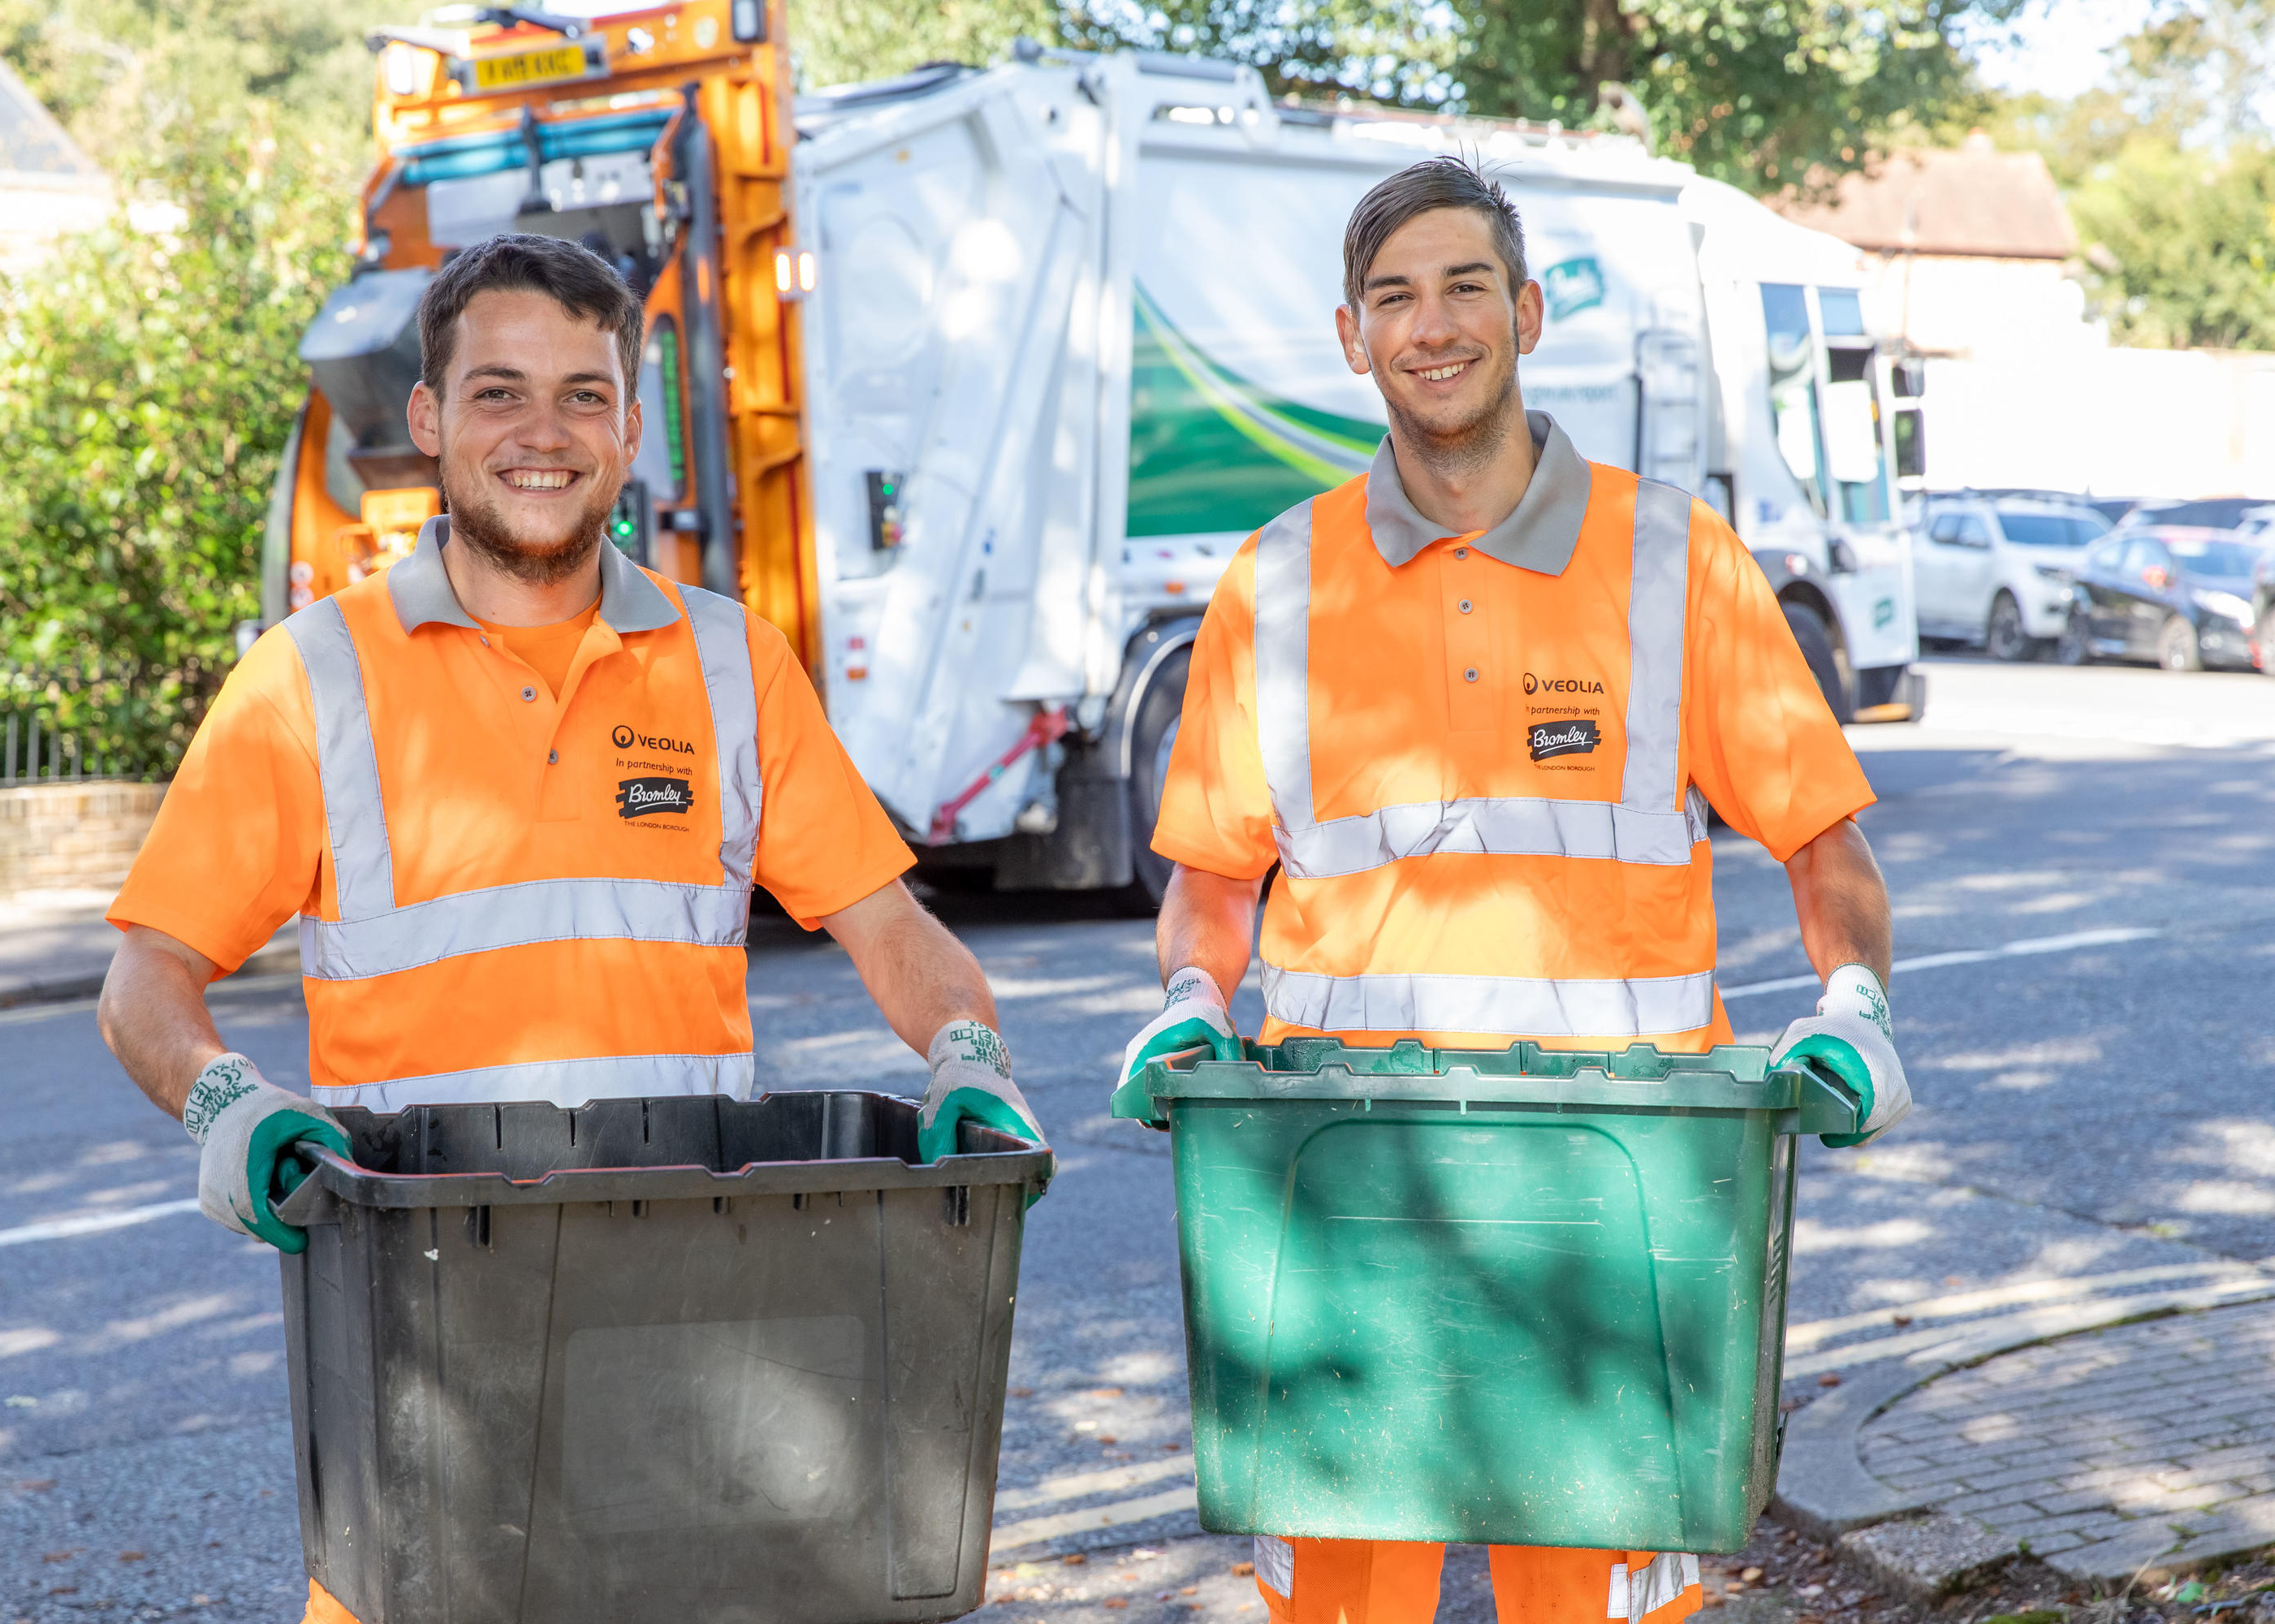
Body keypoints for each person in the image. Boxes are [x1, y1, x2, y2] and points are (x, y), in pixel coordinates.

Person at [95, 233, 1045, 1624]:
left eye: (583, 396)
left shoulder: (730, 660)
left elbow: (892, 930)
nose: (543, 435)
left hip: (695, 1308)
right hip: (421, 1325)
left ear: (632, 429)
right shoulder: (311, 680)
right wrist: (226, 1102)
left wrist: (968, 1054)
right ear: (426, 421)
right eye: (497, 392)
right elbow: (146, 979)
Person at [1113, 158, 1909, 1624]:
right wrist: (1187, 997)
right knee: (1348, 1605)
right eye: (1394, 297)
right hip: (1342, 1190)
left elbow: (1821, 840)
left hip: (1616, 1198)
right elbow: (1213, 879)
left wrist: (1854, 1000)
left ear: (1528, 312)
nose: (1434, 324)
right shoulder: (1274, 585)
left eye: (1466, 285)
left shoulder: (1677, 561)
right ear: (1351, 338)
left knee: (1599, 1606)